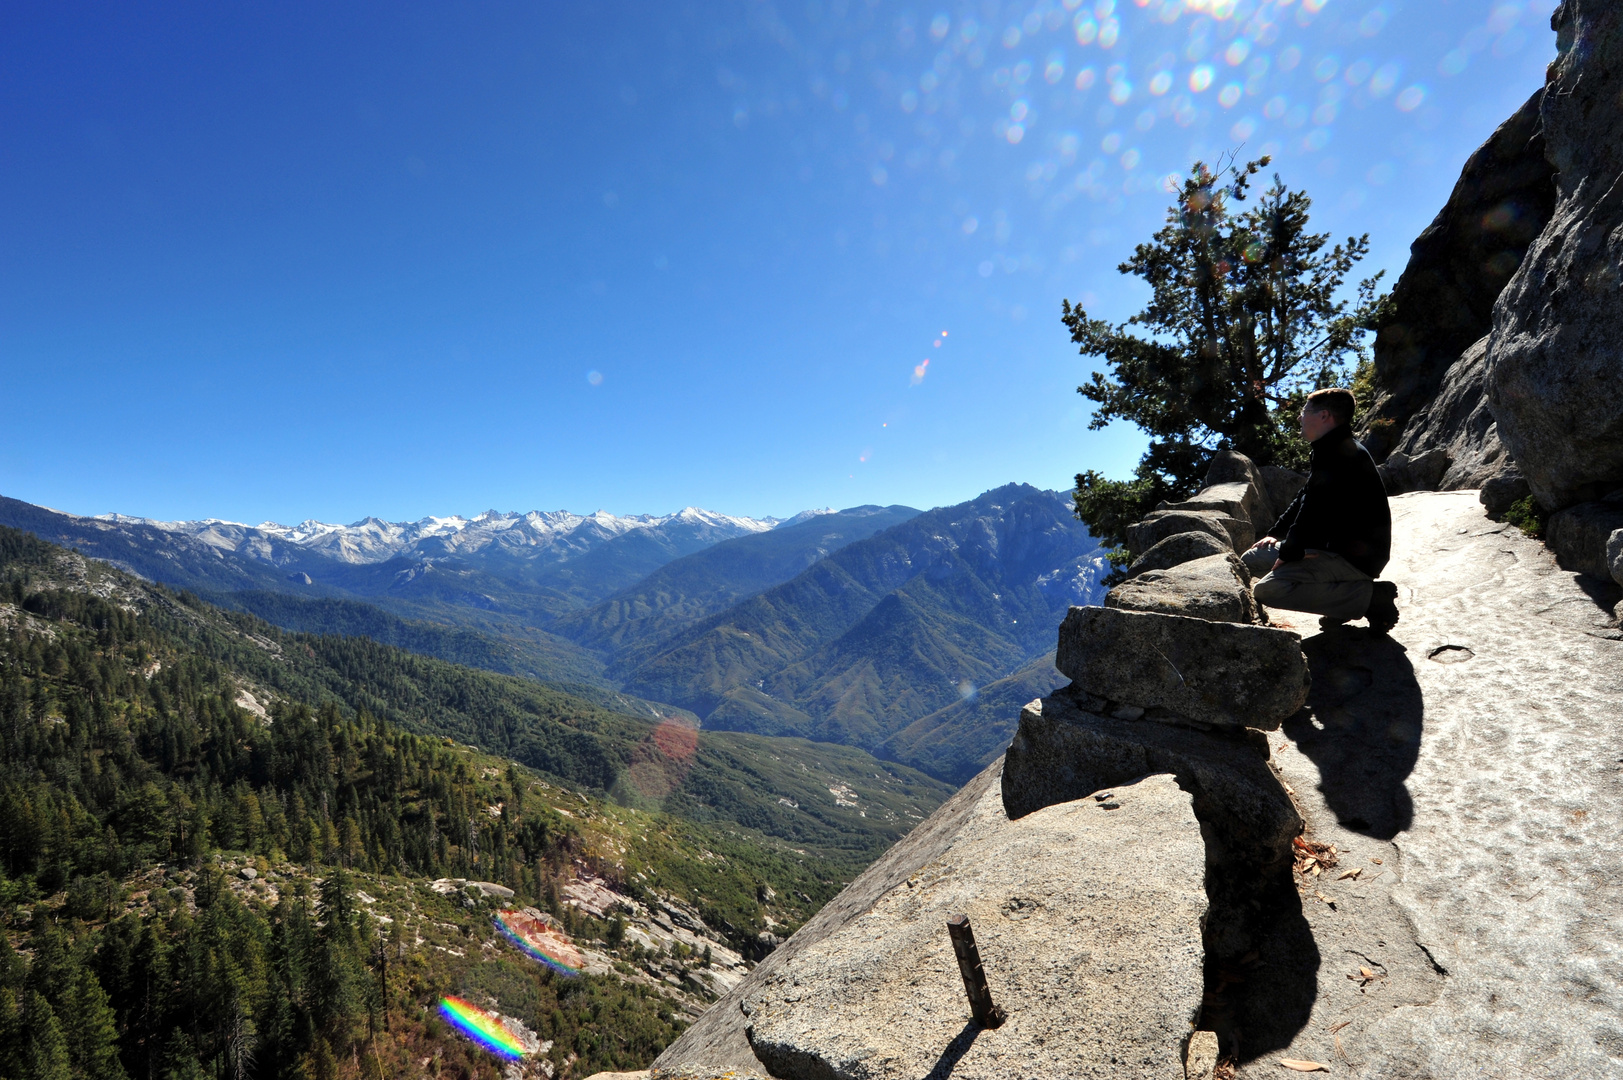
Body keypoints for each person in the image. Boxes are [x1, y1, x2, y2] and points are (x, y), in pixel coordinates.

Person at [1243, 388, 1399, 632]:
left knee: (1268, 590)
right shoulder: (1332, 448)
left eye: (1305, 412)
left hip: (1353, 558)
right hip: (1334, 547)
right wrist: (1277, 533)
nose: (1299, 417)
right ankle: (1343, 600)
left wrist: (1290, 552)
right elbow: (1306, 497)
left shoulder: (1341, 454)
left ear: (1324, 415)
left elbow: (1313, 512)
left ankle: (1370, 598)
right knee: (1252, 558)